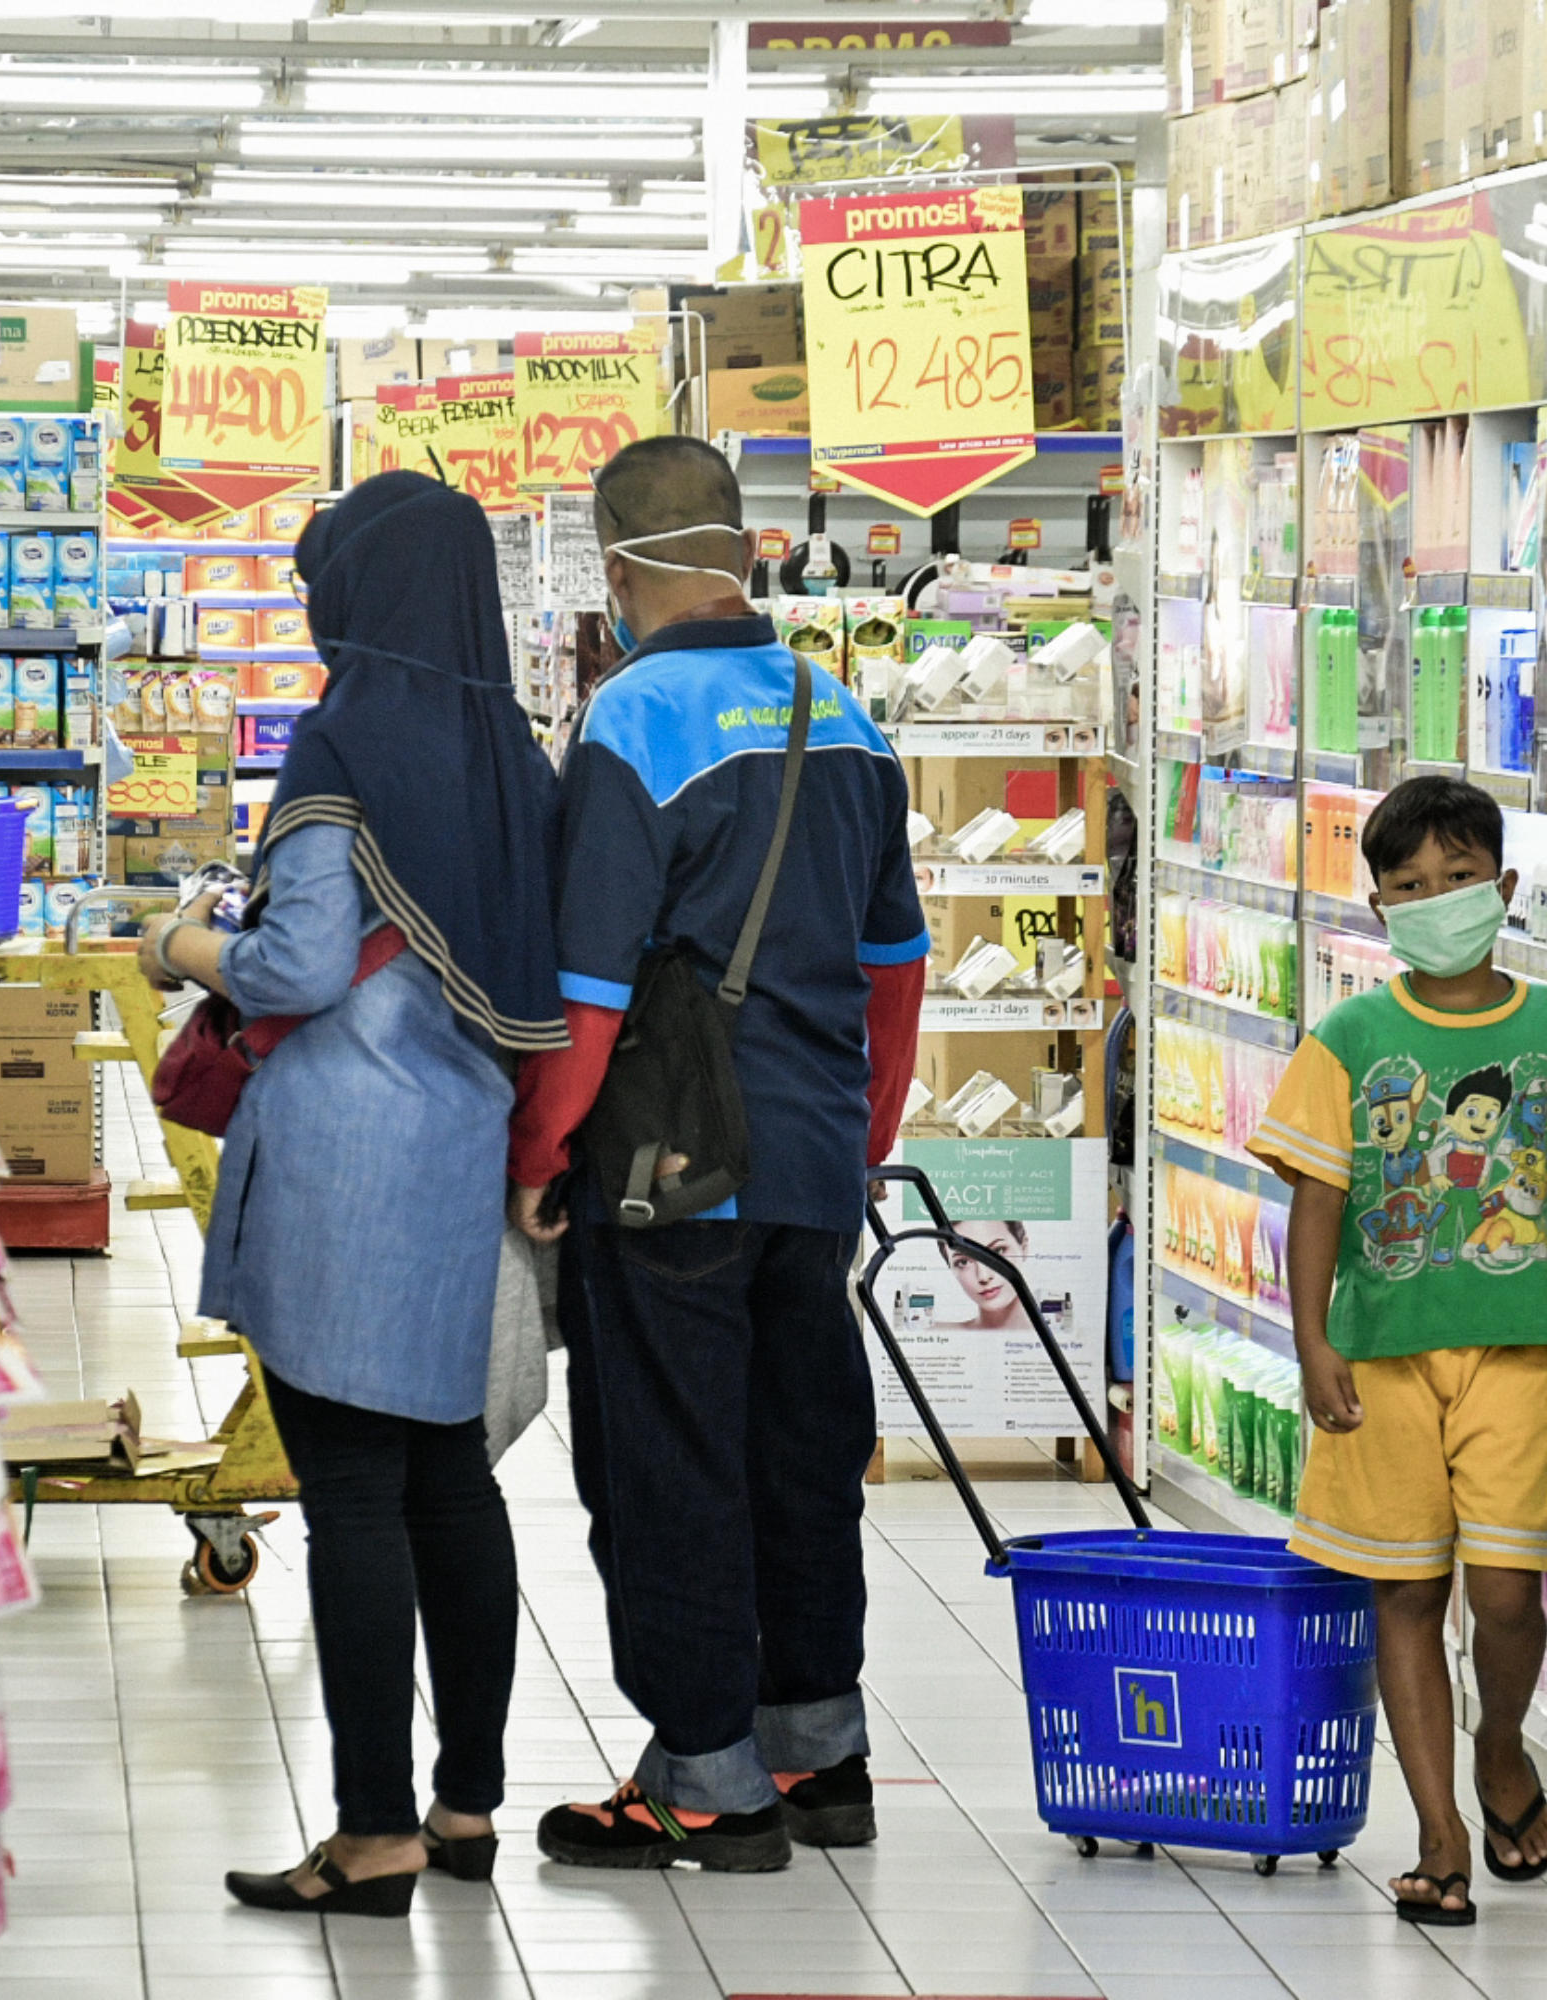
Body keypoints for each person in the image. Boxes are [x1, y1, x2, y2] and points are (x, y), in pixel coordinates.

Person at [137, 471, 570, 1919]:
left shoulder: (343, 744)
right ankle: (463, 1804)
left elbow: (304, 968)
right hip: (462, 1152)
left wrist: (186, 947)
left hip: (339, 1164)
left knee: (355, 1499)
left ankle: (372, 1830)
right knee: (453, 1483)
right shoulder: (518, 756)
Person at [506, 436, 926, 1872]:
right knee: (801, 1454)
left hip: (670, 1165)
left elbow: (593, 986)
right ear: (746, 548)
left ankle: (703, 1779)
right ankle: (821, 1757)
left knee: (669, 1464)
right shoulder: (848, 717)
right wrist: (856, 1144)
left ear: (621, 572)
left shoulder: (632, 722)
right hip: (813, 1164)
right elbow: (895, 969)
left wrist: (541, 1150)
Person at [1243, 775, 1547, 1928]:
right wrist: (1314, 1341)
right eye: (1410, 885)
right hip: (1383, 1354)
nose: (1438, 899)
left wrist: (1540, 1302)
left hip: (1518, 1356)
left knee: (1507, 1591)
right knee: (1405, 1591)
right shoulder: (1352, 1036)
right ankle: (1440, 1831)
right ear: (1377, 908)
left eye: (1458, 878)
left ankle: (1498, 1743)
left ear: (1503, 886)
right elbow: (1319, 1198)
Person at [946, 1219, 1032, 1332]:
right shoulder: (933, 1332)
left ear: (1024, 1248)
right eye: (963, 1262)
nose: (984, 1277)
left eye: (997, 1251)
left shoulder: (1059, 1331)